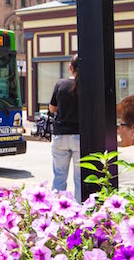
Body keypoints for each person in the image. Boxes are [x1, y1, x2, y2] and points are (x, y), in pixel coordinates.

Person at [49, 54, 81, 202]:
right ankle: (82, 211)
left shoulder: (60, 84)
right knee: (79, 179)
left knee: (59, 177)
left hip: (60, 135)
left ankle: (56, 211)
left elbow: (52, 109)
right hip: (79, 137)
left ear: (70, 68)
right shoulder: (87, 85)